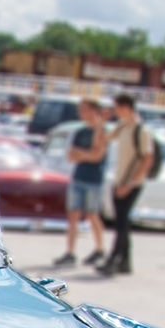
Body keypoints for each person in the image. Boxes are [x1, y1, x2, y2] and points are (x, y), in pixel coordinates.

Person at [97, 94, 153, 276]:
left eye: (118, 108)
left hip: (131, 183)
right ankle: (125, 262)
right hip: (119, 181)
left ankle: (113, 260)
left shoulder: (141, 130)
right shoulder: (122, 127)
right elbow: (103, 140)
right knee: (123, 223)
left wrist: (130, 183)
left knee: (121, 223)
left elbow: (147, 159)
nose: (116, 112)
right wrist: (102, 122)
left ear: (127, 107)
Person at [53, 99, 108, 268]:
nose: (80, 113)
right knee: (73, 215)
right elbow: (71, 156)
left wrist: (83, 154)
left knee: (92, 214)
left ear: (93, 111)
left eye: (84, 110)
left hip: (94, 179)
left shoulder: (102, 132)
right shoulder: (80, 132)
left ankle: (100, 249)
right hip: (78, 177)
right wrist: (87, 154)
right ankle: (70, 252)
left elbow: (98, 156)